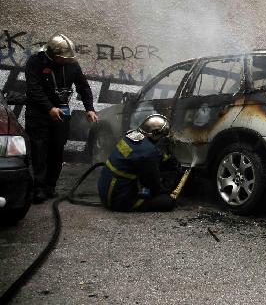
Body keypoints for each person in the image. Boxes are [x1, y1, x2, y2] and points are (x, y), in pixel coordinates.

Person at [25, 33, 98, 204]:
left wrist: (90, 109)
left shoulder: (71, 64)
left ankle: (50, 186)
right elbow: (34, 89)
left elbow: (83, 87)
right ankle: (38, 188)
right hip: (38, 114)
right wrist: (49, 108)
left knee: (57, 149)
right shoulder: (35, 62)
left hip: (61, 114)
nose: (66, 60)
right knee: (39, 150)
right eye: (62, 58)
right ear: (53, 54)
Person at [97, 114, 176, 212]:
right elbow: (154, 186)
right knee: (168, 202)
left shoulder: (131, 135)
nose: (161, 139)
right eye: (161, 136)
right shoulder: (148, 152)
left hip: (105, 192)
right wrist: (167, 190)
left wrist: (165, 159)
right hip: (119, 201)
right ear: (154, 133)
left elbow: (142, 154)